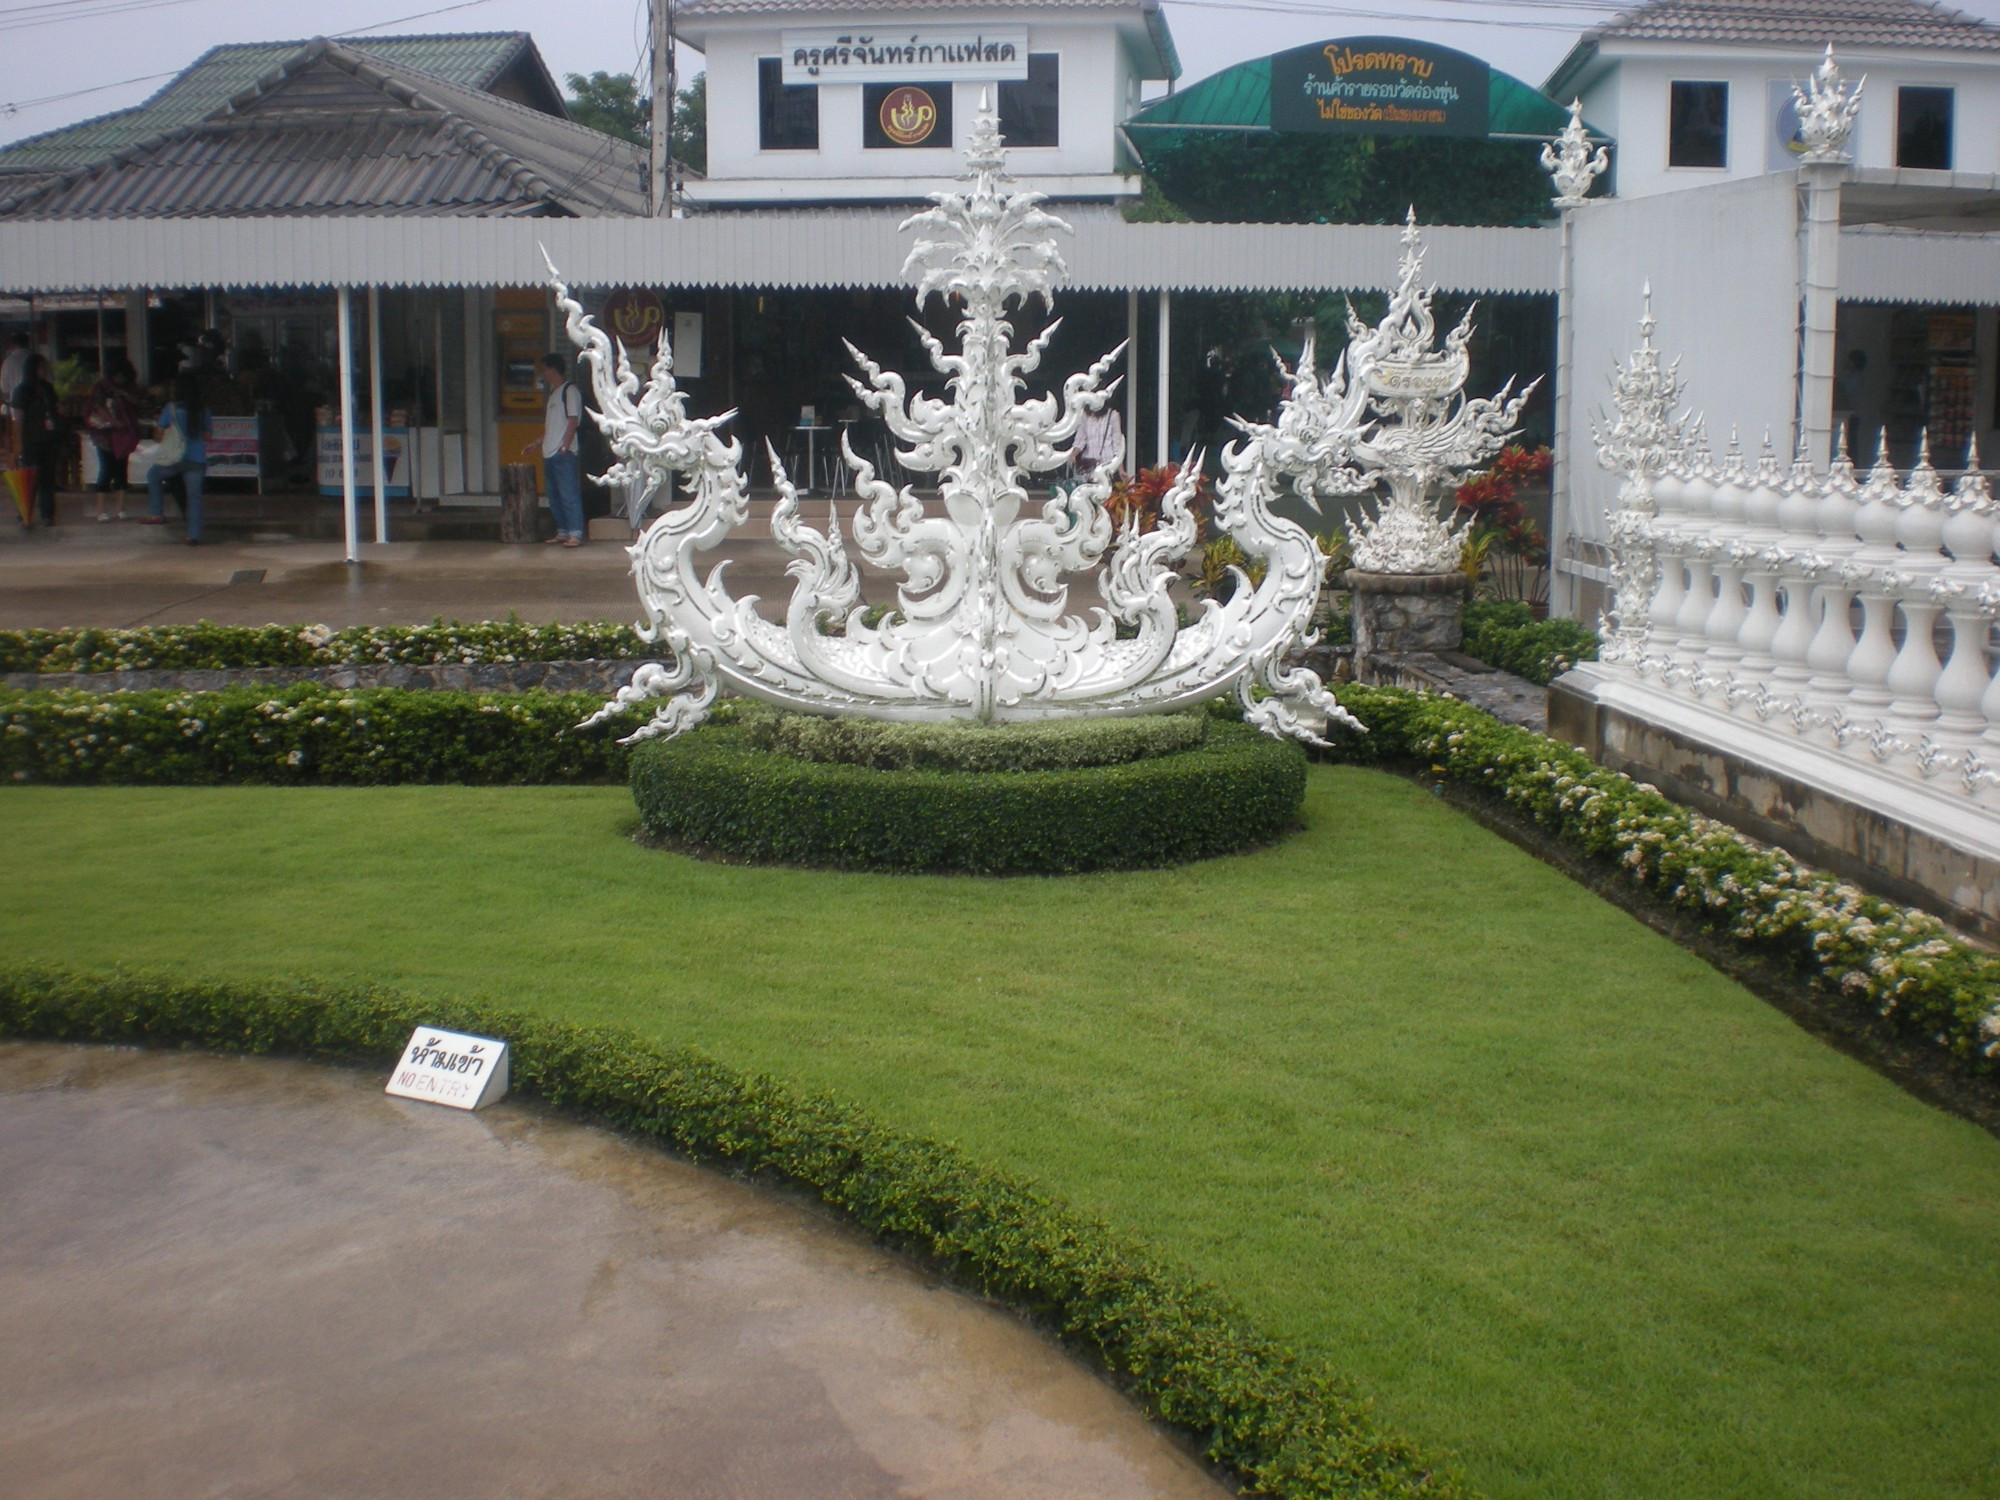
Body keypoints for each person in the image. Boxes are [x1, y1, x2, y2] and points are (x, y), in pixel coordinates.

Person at [523, 351, 584, 547]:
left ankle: (575, 532)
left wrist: (565, 446)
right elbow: (553, 428)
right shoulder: (554, 394)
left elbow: (573, 420)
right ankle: (563, 531)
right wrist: (537, 443)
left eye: (545, 370)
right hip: (549, 451)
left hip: (562, 453)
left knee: (568, 493)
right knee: (554, 496)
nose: (544, 374)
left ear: (553, 370)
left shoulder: (569, 391)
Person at [144, 370, 211, 545]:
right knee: (194, 497)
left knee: (153, 476)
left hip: (175, 459)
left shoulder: (171, 409)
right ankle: (193, 536)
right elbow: (208, 436)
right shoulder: (203, 410)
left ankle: (156, 512)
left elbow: (158, 434)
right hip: (197, 459)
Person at [9, 352, 63, 528]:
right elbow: (17, 419)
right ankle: (26, 512)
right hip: (31, 440)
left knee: (48, 477)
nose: (45, 370)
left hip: (48, 439)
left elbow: (55, 408)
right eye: (42, 367)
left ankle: (47, 513)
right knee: (30, 478)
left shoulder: (48, 388)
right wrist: (18, 445)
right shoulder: (22, 390)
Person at [86, 359, 142, 522]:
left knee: (121, 470)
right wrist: (114, 422)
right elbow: (98, 407)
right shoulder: (102, 387)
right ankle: (101, 510)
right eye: (118, 376)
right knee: (106, 469)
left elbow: (137, 401)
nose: (120, 380)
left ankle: (120, 508)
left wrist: (124, 395)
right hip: (104, 435)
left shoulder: (130, 388)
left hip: (123, 434)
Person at [0, 332, 31, 462]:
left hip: (15, 409)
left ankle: (20, 463)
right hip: (36, 408)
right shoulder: (34, 359)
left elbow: (4, 388)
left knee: (19, 439)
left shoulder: (8, 362)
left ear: (13, 345)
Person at [1075, 403, 1124, 477]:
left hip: (1108, 468)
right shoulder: (1085, 416)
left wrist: (1121, 470)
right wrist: (1073, 455)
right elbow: (1080, 440)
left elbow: (1117, 445)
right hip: (1090, 468)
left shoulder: (1112, 415)